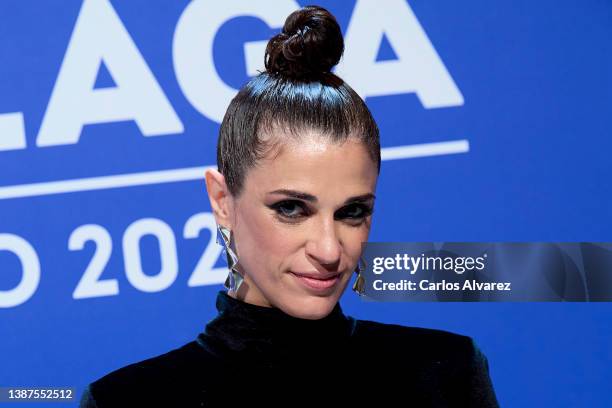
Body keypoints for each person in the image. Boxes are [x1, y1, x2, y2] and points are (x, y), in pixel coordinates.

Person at [80, 5, 500, 407]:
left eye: (352, 212)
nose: (330, 250)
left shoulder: (447, 373)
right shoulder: (127, 400)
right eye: (292, 209)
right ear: (222, 201)